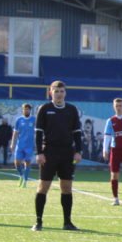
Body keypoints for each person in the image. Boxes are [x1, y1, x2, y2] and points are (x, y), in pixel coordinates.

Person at [32, 81, 84, 231]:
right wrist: (39, 153)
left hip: (67, 153)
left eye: (62, 91)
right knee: (43, 186)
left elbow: (77, 132)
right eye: (56, 91)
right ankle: (38, 222)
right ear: (51, 93)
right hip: (49, 152)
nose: (59, 94)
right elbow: (38, 133)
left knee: (67, 188)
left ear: (65, 93)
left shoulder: (71, 109)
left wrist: (78, 151)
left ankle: (67, 222)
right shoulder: (44, 109)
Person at [11, 103, 36, 187]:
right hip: (20, 145)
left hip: (29, 146)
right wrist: (12, 144)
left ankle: (25, 181)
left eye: (28, 109)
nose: (26, 110)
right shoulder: (19, 120)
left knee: (27, 162)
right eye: (25, 109)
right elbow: (15, 133)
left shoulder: (33, 119)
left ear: (30, 110)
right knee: (17, 162)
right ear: (22, 110)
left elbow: (38, 131)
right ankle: (21, 175)